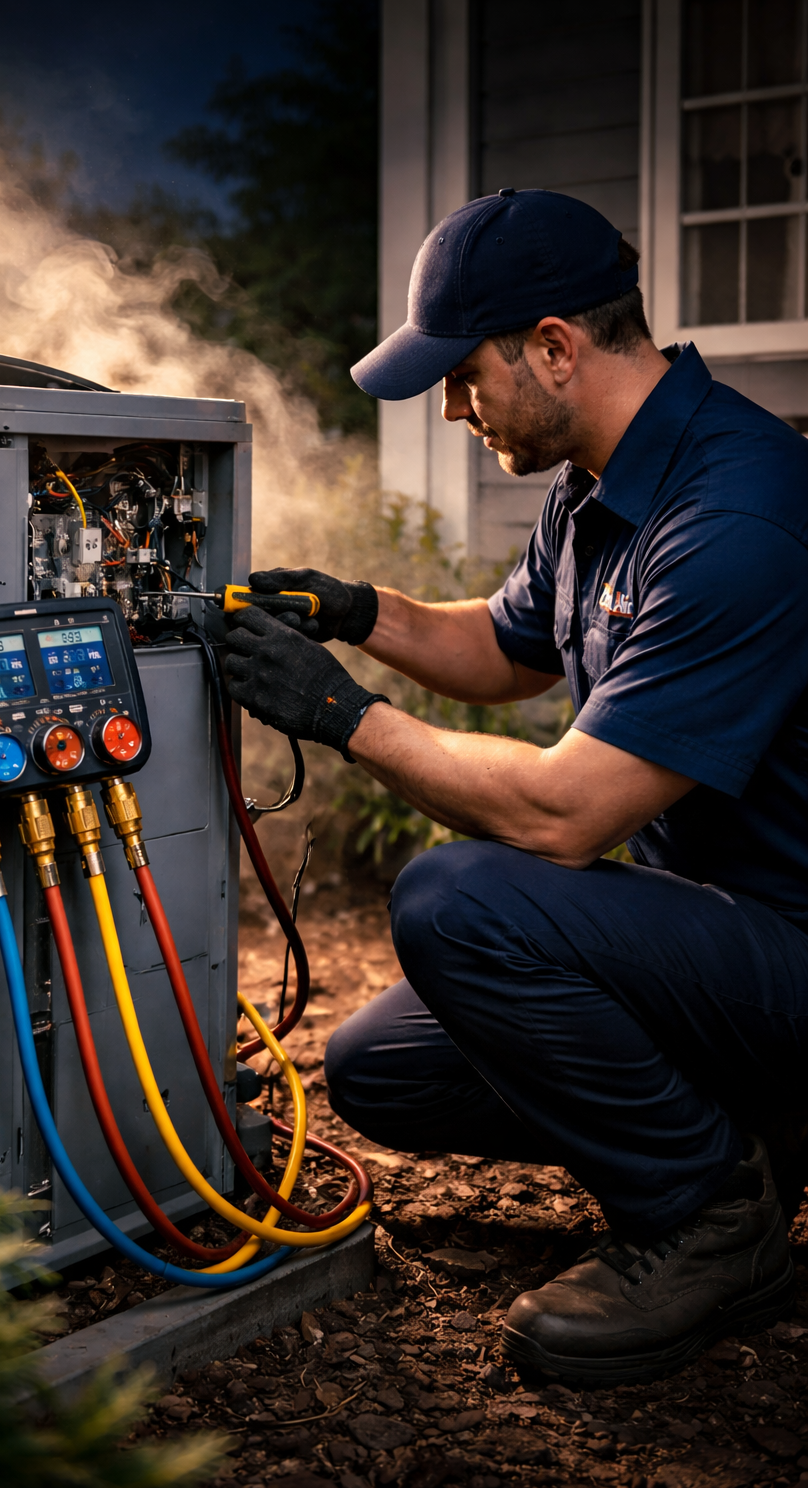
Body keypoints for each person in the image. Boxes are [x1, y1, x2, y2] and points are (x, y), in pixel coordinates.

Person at [221, 188, 808, 1386]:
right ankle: (743, 1130)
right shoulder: (602, 484)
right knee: (379, 1069)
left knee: (458, 901)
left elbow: (565, 812)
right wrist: (355, 613)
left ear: (552, 346)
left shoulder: (737, 511)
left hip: (791, 948)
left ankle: (710, 1220)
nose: (448, 406)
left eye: (460, 374)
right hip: (715, 938)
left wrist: (339, 715)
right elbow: (503, 649)